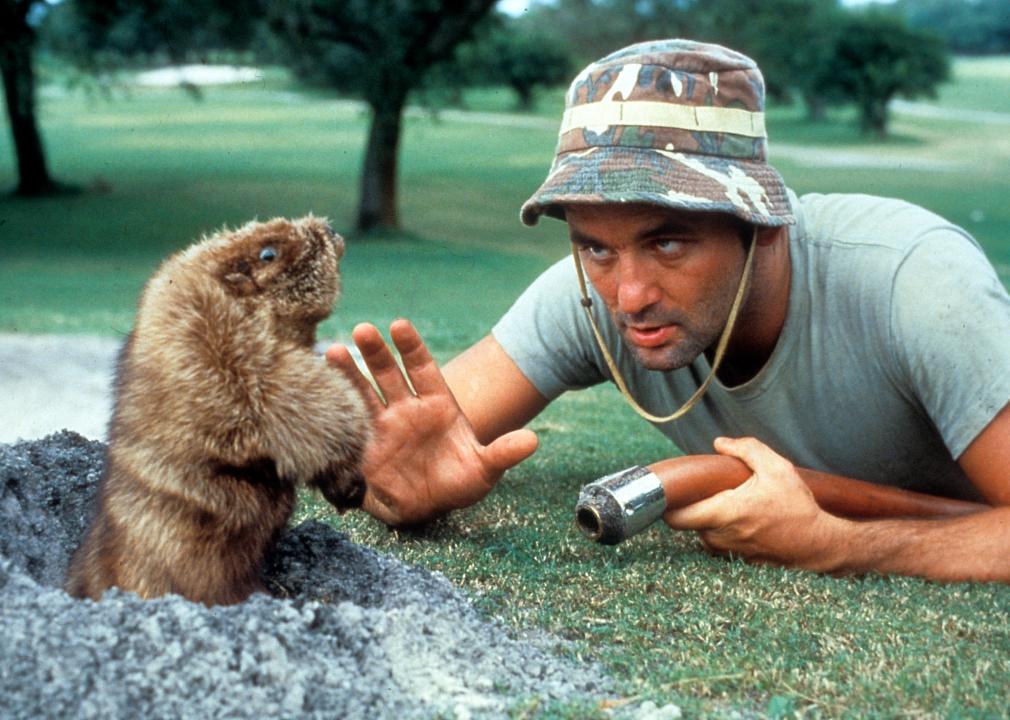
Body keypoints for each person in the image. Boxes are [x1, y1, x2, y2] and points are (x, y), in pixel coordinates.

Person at [326, 39, 1010, 583]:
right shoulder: (592, 292)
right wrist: (387, 485)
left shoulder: (914, 283)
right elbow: (426, 437)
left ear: (763, 220)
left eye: (669, 241)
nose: (629, 295)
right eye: (594, 246)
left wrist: (842, 546)